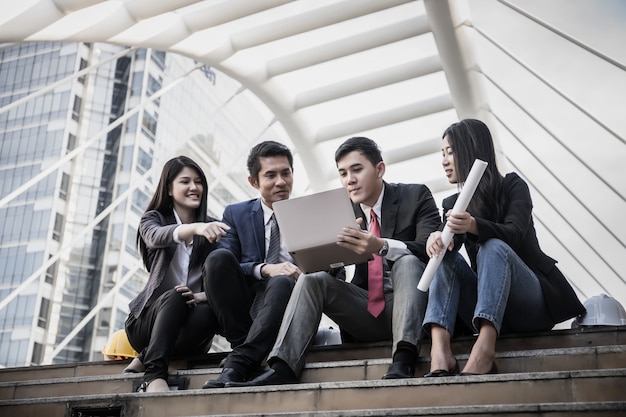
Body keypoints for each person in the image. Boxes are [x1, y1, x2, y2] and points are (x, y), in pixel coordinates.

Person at [231, 136, 442, 387]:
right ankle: (283, 367)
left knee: (407, 262)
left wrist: (381, 246)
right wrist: (327, 256)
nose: (349, 180)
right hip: (369, 313)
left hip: (414, 307)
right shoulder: (344, 211)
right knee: (313, 279)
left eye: (356, 169)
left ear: (379, 169)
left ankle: (404, 358)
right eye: (342, 173)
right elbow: (334, 276)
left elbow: (431, 252)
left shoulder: (415, 195)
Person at [423, 119, 585, 377]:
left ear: (470, 149)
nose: (443, 161)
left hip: (529, 304)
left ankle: (485, 349)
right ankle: (440, 351)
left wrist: (475, 225)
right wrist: (438, 240)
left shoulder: (512, 186)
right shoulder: (452, 202)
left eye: (450, 152)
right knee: (444, 258)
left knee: (493, 247)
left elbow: (515, 233)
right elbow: (450, 257)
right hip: (487, 305)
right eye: (442, 154)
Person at [125, 156, 231, 392]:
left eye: (198, 182)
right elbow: (154, 237)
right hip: (146, 322)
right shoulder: (153, 219)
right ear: (170, 189)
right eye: (185, 182)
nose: (194, 188)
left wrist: (202, 296)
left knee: (209, 312)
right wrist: (194, 228)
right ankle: (153, 375)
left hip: (189, 327)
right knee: (175, 296)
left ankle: (146, 356)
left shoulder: (212, 228)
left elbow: (226, 274)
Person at [200, 141, 301, 388]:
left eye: (286, 173)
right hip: (245, 309)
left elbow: (336, 273)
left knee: (280, 282)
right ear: (253, 182)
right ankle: (248, 347)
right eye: (271, 175)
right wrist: (265, 268)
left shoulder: (308, 213)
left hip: (291, 305)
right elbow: (228, 261)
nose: (280, 182)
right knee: (217, 259)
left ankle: (238, 363)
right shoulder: (236, 214)